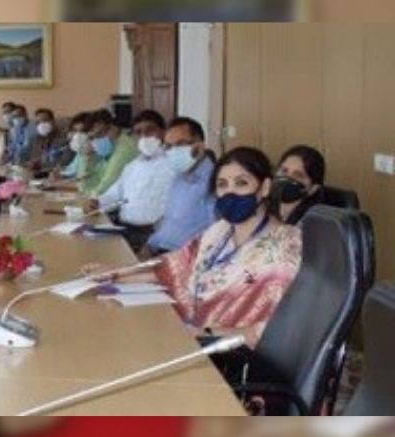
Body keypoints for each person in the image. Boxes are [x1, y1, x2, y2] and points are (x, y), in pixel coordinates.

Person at [91, 147, 301, 348]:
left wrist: (205, 334)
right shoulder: (220, 230)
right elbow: (173, 268)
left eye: (241, 183)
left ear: (264, 187)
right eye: (222, 185)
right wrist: (116, 274)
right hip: (187, 334)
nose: (230, 192)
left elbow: (277, 327)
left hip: (225, 352)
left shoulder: (285, 247)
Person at [94, 110, 174, 253]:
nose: (144, 136)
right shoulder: (131, 166)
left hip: (155, 235)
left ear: (163, 132)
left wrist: (156, 240)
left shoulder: (174, 163)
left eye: (150, 130)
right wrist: (96, 203)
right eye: (138, 132)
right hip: (125, 230)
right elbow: (114, 195)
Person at [145, 117, 217, 256]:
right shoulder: (179, 178)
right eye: (168, 146)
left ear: (199, 146)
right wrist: (149, 245)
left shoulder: (214, 181)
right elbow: (168, 225)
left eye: (180, 144)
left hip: (185, 259)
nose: (173, 151)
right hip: (160, 252)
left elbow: (216, 237)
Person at [79, 108, 138, 197]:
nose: (96, 140)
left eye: (99, 134)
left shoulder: (125, 148)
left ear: (113, 128)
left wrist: (90, 195)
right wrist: (88, 157)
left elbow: (105, 190)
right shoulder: (108, 149)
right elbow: (85, 186)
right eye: (92, 137)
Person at [274, 145, 327, 226]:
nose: (287, 178)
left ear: (313, 188)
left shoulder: (314, 223)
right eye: (284, 171)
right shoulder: (261, 206)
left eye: (298, 175)